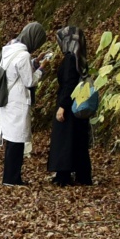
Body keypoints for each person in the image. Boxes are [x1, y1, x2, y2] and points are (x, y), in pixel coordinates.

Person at [0, 21, 46, 186]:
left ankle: (11, 177)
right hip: (17, 101)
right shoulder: (23, 55)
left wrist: (34, 63)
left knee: (12, 141)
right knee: (16, 142)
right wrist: (42, 69)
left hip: (7, 100)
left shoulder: (10, 49)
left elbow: (15, 72)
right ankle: (12, 178)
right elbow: (30, 80)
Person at [50, 25, 93, 186]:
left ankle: (63, 175)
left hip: (69, 105)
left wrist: (62, 106)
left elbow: (69, 84)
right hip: (78, 105)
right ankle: (82, 175)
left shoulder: (70, 59)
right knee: (78, 141)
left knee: (65, 141)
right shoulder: (80, 58)